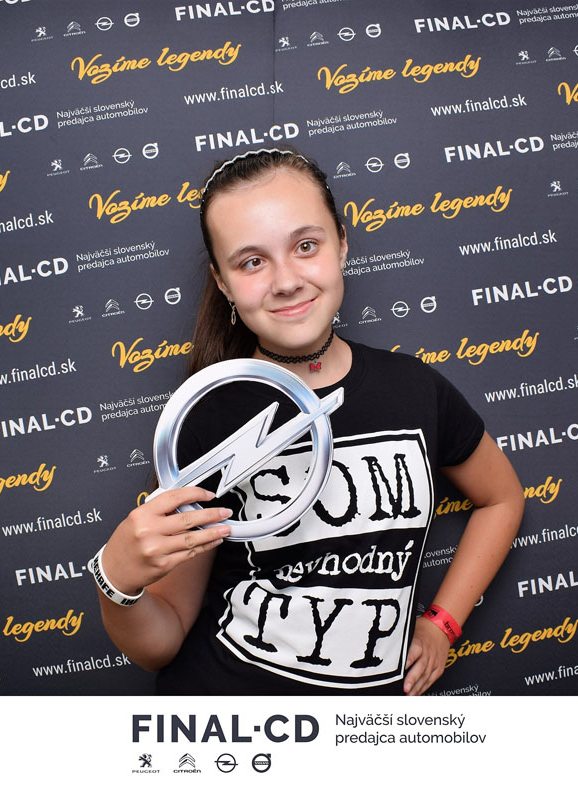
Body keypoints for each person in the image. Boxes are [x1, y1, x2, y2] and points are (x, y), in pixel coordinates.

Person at [90, 148, 523, 695]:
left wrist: (443, 623)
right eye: (252, 262)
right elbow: (163, 638)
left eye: (305, 246)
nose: (286, 280)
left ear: (341, 242)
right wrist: (116, 583)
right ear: (222, 282)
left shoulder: (416, 389)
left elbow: (501, 498)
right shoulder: (207, 415)